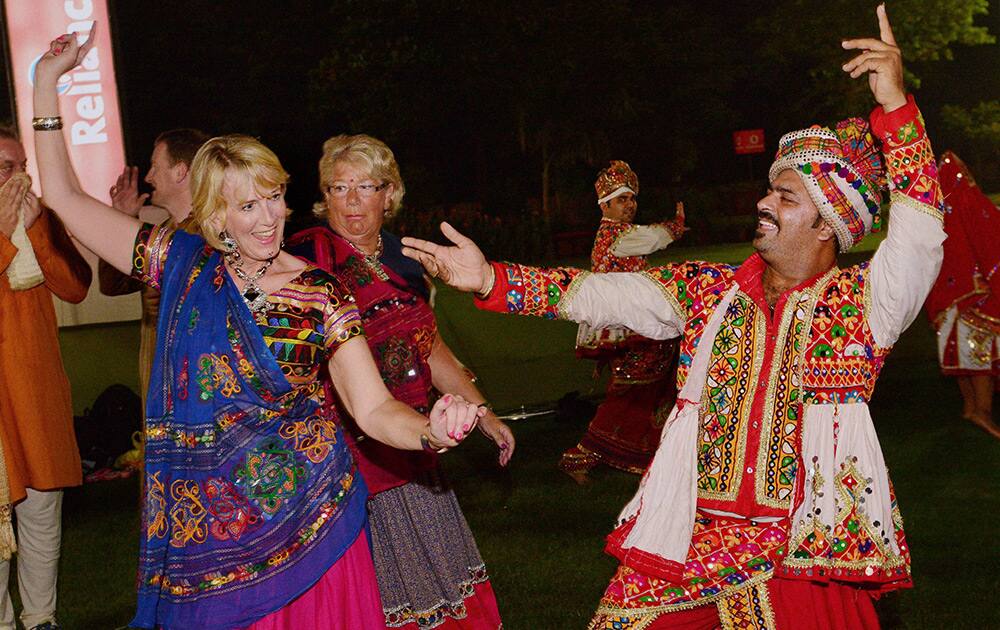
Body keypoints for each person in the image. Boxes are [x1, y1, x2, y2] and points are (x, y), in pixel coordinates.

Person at [402, 7, 944, 627]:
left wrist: (897, 107)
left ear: (827, 222)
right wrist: (492, 280)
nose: (763, 201)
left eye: (785, 195)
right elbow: (601, 296)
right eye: (769, 188)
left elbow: (922, 233)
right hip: (691, 534)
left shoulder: (863, 305)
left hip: (801, 547)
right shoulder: (709, 291)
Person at [32, 28, 482, 630]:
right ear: (215, 214)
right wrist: (44, 83)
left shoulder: (320, 293)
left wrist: (432, 431)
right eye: (248, 206)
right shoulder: (183, 265)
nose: (269, 218)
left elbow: (372, 410)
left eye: (274, 198)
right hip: (209, 541)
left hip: (311, 528)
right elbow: (61, 194)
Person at [286, 134, 510, 629]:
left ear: (390, 194)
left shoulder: (410, 262)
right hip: (340, 453)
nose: (350, 201)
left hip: (408, 443)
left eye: (364, 186)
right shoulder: (305, 260)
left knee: (433, 582)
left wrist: (483, 412)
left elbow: (429, 348)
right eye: (337, 188)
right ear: (323, 198)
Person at [0, 126, 90, 630]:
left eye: (14, 166)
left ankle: (40, 618)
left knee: (40, 512)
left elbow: (76, 287)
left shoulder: (42, 219)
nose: (8, 177)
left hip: (35, 393)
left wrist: (32, 229)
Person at [562, 160, 685, 483]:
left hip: (637, 325)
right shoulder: (617, 236)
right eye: (622, 200)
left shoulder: (617, 234)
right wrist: (675, 225)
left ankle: (652, 453)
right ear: (605, 205)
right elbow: (653, 239)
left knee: (659, 386)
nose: (630, 205)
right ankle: (583, 454)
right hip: (630, 329)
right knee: (630, 391)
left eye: (632, 198)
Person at [99, 128, 209, 412]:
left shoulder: (213, 233)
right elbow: (113, 285)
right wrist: (121, 220)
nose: (148, 178)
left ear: (181, 172)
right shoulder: (161, 236)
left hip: (195, 400)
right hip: (158, 392)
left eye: (155, 167)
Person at [924, 151, 1000, 438]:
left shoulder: (934, 210)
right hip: (970, 293)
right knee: (977, 354)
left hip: (944, 294)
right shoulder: (965, 202)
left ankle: (970, 407)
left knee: (961, 352)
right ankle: (982, 411)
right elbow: (986, 233)